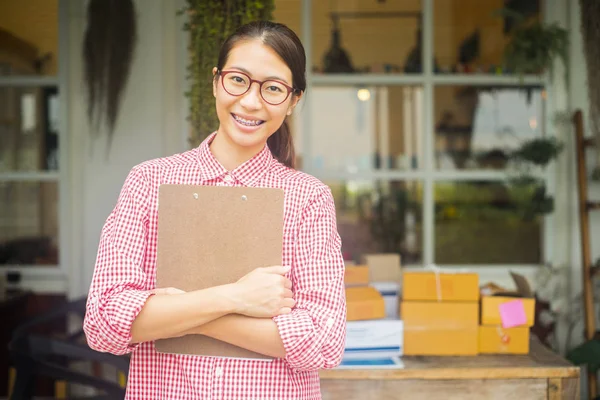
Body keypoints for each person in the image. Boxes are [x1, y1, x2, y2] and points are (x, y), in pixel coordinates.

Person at [83, 20, 347, 400]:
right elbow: (105, 322)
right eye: (238, 79)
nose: (251, 101)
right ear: (215, 81)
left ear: (293, 101)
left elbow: (324, 341)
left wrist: (177, 314)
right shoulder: (149, 182)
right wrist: (235, 299)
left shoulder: (308, 198)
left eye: (273, 88)